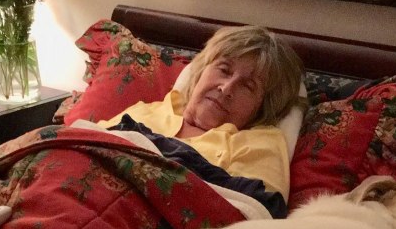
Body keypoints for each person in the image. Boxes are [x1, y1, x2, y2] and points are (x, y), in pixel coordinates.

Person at [98, 26, 305, 200]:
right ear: (200, 72)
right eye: (224, 70)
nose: (226, 88)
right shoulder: (144, 111)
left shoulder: (260, 144)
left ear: (262, 107)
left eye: (247, 86)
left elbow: (252, 219)